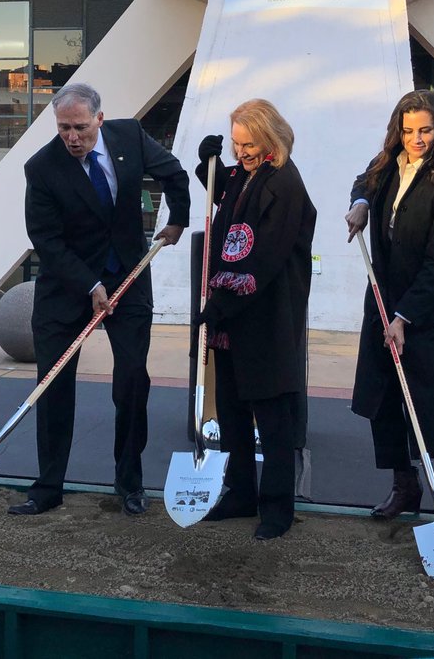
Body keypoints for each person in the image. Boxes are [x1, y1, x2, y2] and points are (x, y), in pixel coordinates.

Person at [11, 83, 189, 517]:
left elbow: (175, 174)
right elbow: (47, 241)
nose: (72, 137)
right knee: (52, 383)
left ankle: (129, 481)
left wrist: (178, 220)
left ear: (100, 120)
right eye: (64, 128)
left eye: (81, 128)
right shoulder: (42, 168)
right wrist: (90, 285)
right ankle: (48, 484)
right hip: (67, 284)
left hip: (129, 274)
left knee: (132, 381)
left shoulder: (129, 137)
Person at [345, 90, 434, 520]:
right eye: (408, 131)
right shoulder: (388, 163)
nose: (416, 139)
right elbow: (364, 181)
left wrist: (406, 316)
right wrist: (361, 203)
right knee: (383, 397)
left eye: (424, 130)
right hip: (385, 298)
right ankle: (404, 485)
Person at [196, 99, 316, 540]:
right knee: (230, 409)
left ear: (269, 140)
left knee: (272, 413)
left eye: (248, 144)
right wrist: (205, 164)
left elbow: (266, 254)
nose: (241, 152)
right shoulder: (247, 176)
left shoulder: (283, 183)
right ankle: (241, 489)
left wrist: (223, 303)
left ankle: (278, 505)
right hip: (233, 319)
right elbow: (224, 197)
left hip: (267, 315)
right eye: (235, 143)